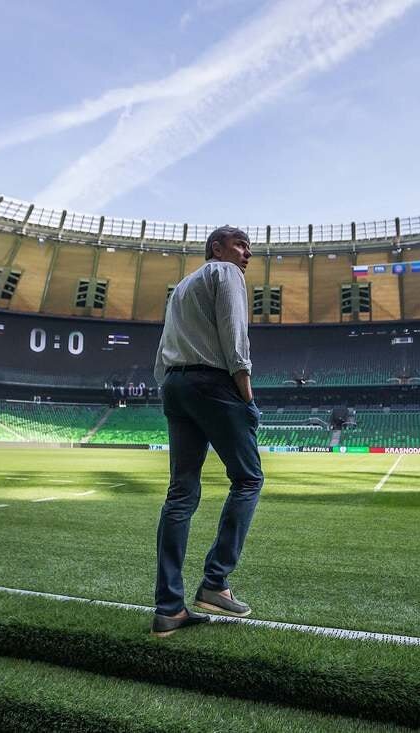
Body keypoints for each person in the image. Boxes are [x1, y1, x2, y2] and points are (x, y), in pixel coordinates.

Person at [150, 225, 263, 637]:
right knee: (248, 479)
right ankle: (215, 582)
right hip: (213, 383)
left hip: (174, 384)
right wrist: (246, 395)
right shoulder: (226, 273)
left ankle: (169, 610)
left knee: (180, 494)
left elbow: (164, 345)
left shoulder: (182, 287)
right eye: (240, 245)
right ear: (217, 248)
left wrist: (169, 385)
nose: (247, 254)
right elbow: (235, 333)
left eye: (248, 248)